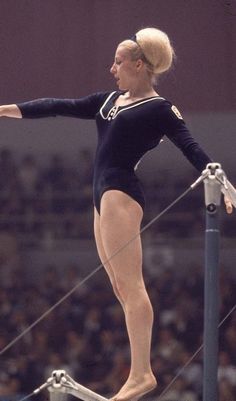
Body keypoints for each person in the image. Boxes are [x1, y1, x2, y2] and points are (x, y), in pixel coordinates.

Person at [0, 27, 233, 401]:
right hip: (102, 195)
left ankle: (142, 373)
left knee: (133, 284)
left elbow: (190, 146)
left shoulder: (159, 108)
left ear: (139, 65)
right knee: (121, 288)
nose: (112, 69)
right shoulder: (109, 100)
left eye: (118, 62)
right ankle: (138, 372)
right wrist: (4, 110)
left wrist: (222, 181)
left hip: (121, 192)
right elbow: (56, 105)